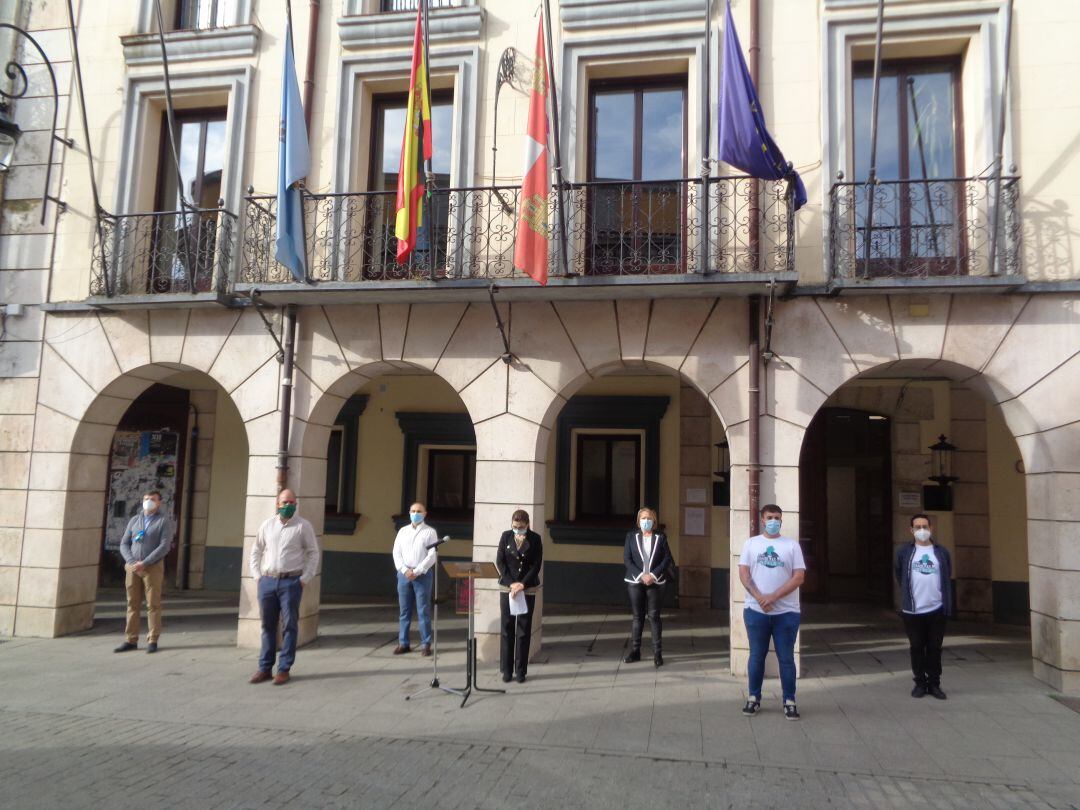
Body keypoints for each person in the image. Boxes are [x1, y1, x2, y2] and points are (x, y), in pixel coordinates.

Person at [739, 504, 805, 720]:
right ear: (762, 519)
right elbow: (744, 573)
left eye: (777, 517)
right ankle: (753, 697)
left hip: (786, 613)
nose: (774, 521)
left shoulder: (792, 546)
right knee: (756, 656)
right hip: (756, 611)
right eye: (770, 517)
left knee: (786, 658)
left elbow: (798, 577)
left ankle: (789, 700)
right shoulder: (751, 544)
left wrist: (773, 597)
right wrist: (759, 597)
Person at [249, 489, 320, 685]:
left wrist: (305, 578)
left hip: (291, 582)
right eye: (284, 502)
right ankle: (264, 667)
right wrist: (257, 576)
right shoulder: (267, 525)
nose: (288, 505)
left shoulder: (303, 526)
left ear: (296, 504)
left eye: (292, 502)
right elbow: (256, 551)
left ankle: (284, 668)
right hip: (268, 581)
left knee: (289, 625)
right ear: (277, 504)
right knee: (267, 625)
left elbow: (313, 553)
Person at [895, 513, 953, 700]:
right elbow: (899, 573)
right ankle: (920, 683)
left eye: (925, 527)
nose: (922, 531)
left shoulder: (941, 552)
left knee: (935, 648)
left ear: (931, 528)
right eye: (918, 527)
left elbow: (947, 575)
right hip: (913, 610)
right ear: (911, 530)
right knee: (917, 647)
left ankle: (934, 683)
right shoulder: (904, 552)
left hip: (936, 609)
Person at [115, 490, 174, 654]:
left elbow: (164, 546)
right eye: (146, 499)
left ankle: (153, 639)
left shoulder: (163, 521)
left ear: (159, 502)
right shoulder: (135, 520)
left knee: (153, 604)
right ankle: (130, 639)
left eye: (152, 499)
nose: (148, 501)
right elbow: (124, 543)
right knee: (132, 604)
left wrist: (145, 562)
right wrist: (132, 562)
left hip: (152, 568)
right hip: (133, 568)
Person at [495, 509, 543, 683]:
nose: (517, 529)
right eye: (515, 526)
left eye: (521, 527)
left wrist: (522, 584)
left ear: (527, 524)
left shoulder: (535, 538)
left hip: (526, 587)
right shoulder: (506, 536)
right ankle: (506, 670)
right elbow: (500, 561)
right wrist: (511, 583)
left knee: (523, 630)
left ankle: (521, 671)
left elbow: (536, 564)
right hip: (508, 587)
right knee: (507, 629)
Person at [622, 507, 673, 668]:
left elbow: (666, 559)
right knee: (638, 617)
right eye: (643, 518)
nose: (646, 521)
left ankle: (657, 654)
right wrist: (641, 576)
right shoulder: (631, 536)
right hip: (635, 581)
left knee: (654, 617)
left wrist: (652, 575)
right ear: (638, 521)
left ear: (654, 521)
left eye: (649, 518)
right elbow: (627, 559)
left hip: (655, 583)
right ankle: (635, 651)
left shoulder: (661, 537)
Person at [392, 501, 438, 656]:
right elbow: (396, 553)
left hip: (422, 576)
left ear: (424, 514)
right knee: (404, 611)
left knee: (423, 610)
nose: (415, 513)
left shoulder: (430, 532)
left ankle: (426, 644)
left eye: (419, 511)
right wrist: (405, 570)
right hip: (404, 575)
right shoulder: (403, 531)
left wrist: (417, 571)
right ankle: (403, 643)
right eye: (412, 510)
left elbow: (432, 556)